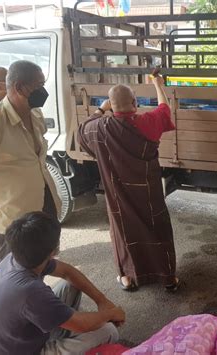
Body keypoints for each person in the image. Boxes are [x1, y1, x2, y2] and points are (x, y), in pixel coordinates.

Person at [78, 74, 179, 292]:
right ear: (135, 103)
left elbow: (82, 130)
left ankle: (128, 278)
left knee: (124, 232)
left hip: (118, 194)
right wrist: (157, 85)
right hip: (149, 192)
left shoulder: (100, 127)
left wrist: (101, 109)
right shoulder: (147, 122)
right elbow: (164, 108)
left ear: (112, 106)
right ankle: (168, 277)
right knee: (157, 230)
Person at [0, 211, 125, 354]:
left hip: (16, 336)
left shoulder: (17, 257)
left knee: (70, 284)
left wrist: (101, 301)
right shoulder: (31, 291)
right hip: (24, 351)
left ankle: (63, 325)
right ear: (53, 251)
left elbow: (67, 271)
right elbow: (82, 325)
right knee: (108, 331)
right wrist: (110, 314)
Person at [0, 60, 61, 270]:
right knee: (13, 274)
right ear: (19, 87)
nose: (43, 90)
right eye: (38, 85)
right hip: (9, 220)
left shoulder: (35, 114)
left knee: (42, 266)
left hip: (40, 208)